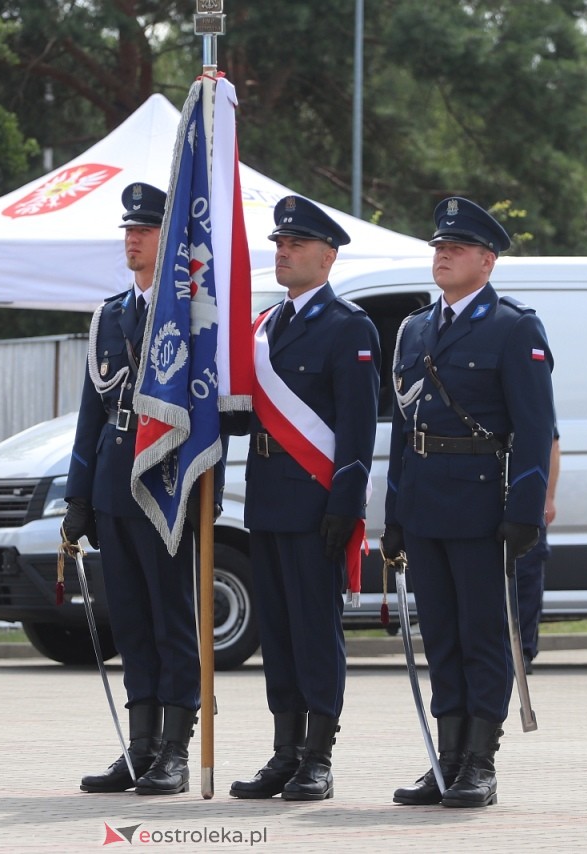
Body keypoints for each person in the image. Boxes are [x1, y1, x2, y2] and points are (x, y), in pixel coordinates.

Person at [384, 197, 555, 809]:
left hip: (484, 505)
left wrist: (524, 512)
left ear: (487, 261)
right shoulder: (415, 330)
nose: (443, 255)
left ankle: (480, 762)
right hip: (427, 503)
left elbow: (536, 430)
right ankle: (446, 758)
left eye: (455, 248)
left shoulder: (513, 327)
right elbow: (406, 430)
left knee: (484, 635)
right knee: (443, 637)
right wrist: (394, 516)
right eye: (438, 247)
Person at [228, 195, 380, 802]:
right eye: (278, 244)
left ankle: (318, 755)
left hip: (317, 501)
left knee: (315, 631)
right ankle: (283, 751)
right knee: (279, 631)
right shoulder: (264, 328)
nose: (282, 252)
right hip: (264, 498)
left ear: (328, 255)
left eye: (294, 244)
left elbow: (357, 426)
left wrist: (345, 502)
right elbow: (242, 413)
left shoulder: (350, 327)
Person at [64, 182, 200, 797]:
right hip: (116, 483)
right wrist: (78, 497)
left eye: (144, 231)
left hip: (168, 484)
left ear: (167, 240)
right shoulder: (110, 314)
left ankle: (174, 747)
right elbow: (92, 413)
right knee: (132, 623)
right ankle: (139, 748)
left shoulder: (191, 312)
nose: (133, 240)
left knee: (171, 620)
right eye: (128, 231)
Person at [517, 436, 560, 673]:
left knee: (526, 576)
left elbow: (551, 444)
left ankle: (523, 649)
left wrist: (548, 497)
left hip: (526, 495)